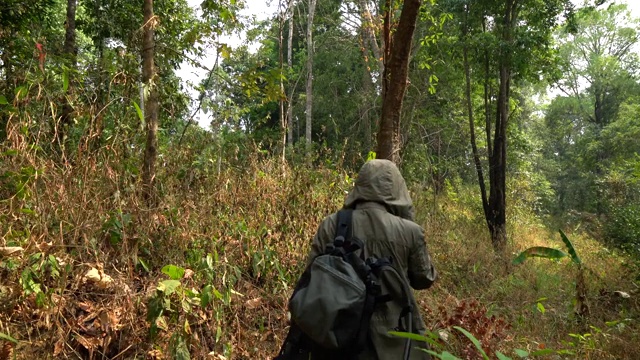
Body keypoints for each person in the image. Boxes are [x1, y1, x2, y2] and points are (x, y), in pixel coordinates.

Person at [305, 159, 437, 359]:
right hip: (395, 336)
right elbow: (424, 279)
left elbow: (310, 275)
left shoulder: (331, 224)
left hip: (339, 332)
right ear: (397, 188)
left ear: (361, 185)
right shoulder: (411, 231)